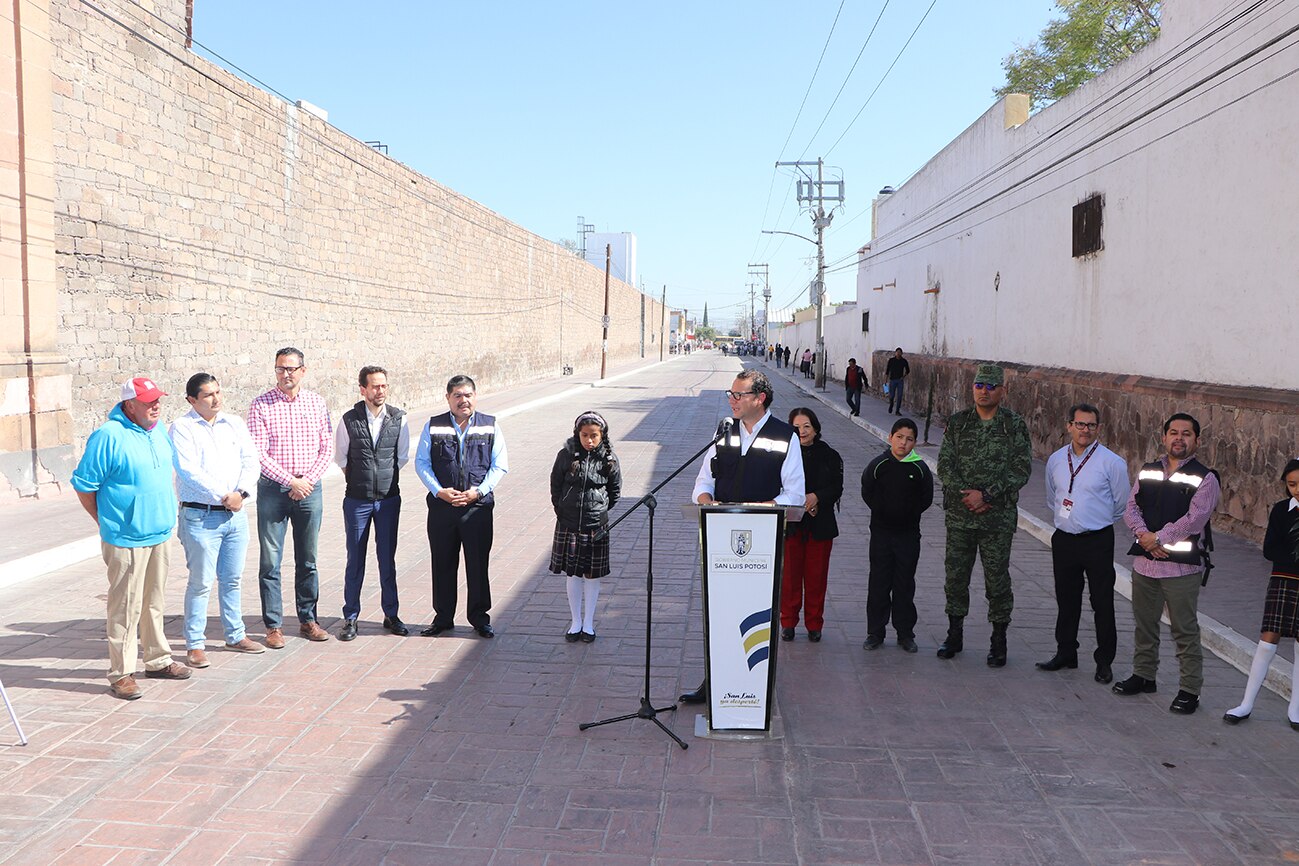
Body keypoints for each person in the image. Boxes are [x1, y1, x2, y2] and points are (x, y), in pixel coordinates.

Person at [681, 368, 805, 704]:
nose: (732, 401)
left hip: (761, 546)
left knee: (753, 617)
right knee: (721, 614)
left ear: (760, 398)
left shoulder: (785, 436)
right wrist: (706, 502)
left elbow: (794, 495)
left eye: (739, 395)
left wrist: (760, 508)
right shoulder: (724, 433)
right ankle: (716, 682)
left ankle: (755, 688)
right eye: (731, 395)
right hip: (720, 540)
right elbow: (703, 482)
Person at [71, 377, 190, 699]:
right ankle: (121, 673)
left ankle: (158, 659)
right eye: (149, 401)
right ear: (129, 405)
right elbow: (84, 485)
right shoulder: (108, 436)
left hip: (159, 533)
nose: (156, 405)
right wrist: (106, 521)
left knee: (154, 602)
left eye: (157, 400)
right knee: (125, 607)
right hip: (125, 538)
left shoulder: (159, 430)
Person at [1113, 413, 1221, 715]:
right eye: (1173, 432)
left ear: (1196, 441)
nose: (1179, 438)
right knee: (1144, 625)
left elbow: (1195, 519)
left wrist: (1157, 538)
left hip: (1181, 569)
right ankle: (1144, 675)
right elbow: (1131, 507)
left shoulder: (1205, 477)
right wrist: (1144, 536)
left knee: (1184, 630)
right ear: (1164, 437)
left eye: (1186, 433)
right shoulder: (1148, 470)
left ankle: (1190, 691)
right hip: (1146, 565)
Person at [935, 363, 1031, 666]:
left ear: (1002, 390)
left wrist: (987, 495)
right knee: (955, 576)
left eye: (991, 386)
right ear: (972, 388)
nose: (984, 391)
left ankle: (999, 638)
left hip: (997, 519)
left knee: (997, 580)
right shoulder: (959, 422)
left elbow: (1021, 468)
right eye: (979, 385)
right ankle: (954, 633)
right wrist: (968, 496)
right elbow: (945, 466)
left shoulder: (1014, 425)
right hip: (961, 516)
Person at [170, 373, 264, 669]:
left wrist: (241, 493)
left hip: (235, 516)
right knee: (200, 582)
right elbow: (188, 470)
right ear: (192, 400)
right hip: (200, 516)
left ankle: (235, 635)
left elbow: (251, 460)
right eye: (208, 395)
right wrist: (224, 495)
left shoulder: (234, 423)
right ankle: (194, 644)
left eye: (218, 392)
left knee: (232, 579)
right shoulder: (182, 428)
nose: (216, 399)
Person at [247, 347, 334, 648]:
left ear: (303, 371)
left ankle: (308, 619)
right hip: (274, 490)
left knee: (308, 559)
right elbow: (258, 452)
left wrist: (306, 481)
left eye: (291, 369)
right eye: (280, 369)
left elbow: (327, 448)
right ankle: (273, 626)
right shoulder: (260, 405)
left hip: (310, 490)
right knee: (270, 561)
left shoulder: (317, 403)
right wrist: (290, 481)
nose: (286, 374)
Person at [1037, 403, 1129, 683]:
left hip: (1097, 540)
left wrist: (1094, 520)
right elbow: (1053, 496)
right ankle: (1066, 652)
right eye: (1080, 424)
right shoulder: (1055, 459)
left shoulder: (1112, 462)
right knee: (1066, 600)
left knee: (1101, 602)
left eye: (1091, 425)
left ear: (1098, 429)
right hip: (1064, 540)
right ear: (1069, 426)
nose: (1085, 430)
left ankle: (1104, 661)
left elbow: (1121, 503)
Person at [416, 375, 509, 638]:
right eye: (457, 395)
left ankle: (479, 618)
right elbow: (422, 463)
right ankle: (443, 617)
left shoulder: (490, 426)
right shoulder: (434, 426)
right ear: (448, 398)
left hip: (476, 508)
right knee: (442, 563)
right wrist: (438, 491)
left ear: (475, 396)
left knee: (477, 564)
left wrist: (477, 492)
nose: (463, 400)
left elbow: (499, 465)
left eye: (468, 395)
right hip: (442, 509)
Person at [334, 365, 411, 641]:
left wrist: (383, 479)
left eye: (384, 386)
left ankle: (391, 614)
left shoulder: (398, 418)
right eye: (375, 386)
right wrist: (361, 480)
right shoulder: (349, 420)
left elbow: (401, 457)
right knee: (355, 559)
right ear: (363, 389)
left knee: (386, 558)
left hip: (389, 500)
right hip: (357, 501)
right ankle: (351, 617)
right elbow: (341, 458)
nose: (380, 391)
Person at [1224, 458, 1299, 728]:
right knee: (1268, 639)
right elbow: (1270, 549)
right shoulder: (1281, 510)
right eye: (1292, 484)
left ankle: (1296, 709)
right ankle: (1246, 704)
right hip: (1283, 580)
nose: (1297, 489)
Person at [861, 418, 934, 653]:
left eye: (909, 439)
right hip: (881, 534)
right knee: (879, 583)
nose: (903, 443)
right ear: (890, 437)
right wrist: (883, 512)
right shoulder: (878, 465)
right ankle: (875, 632)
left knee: (904, 584)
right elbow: (867, 491)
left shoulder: (920, 468)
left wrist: (908, 514)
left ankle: (905, 633)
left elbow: (926, 498)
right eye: (899, 437)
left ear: (914, 443)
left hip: (908, 535)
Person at [549, 411, 622, 643]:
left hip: (595, 525)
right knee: (573, 573)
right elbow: (555, 484)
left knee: (592, 575)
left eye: (594, 435)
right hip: (568, 522)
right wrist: (561, 508)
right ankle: (575, 622)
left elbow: (615, 491)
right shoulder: (566, 455)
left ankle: (589, 623)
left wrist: (598, 510)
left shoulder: (609, 459)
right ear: (577, 434)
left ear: (602, 435)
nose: (589, 440)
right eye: (584, 435)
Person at [780, 407, 843, 643]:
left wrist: (816, 499)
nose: (802, 431)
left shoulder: (830, 455)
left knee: (816, 578)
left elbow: (837, 486)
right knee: (790, 578)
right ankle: (788, 622)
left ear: (815, 429)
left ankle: (814, 624)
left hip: (821, 524)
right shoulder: (784, 454)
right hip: (792, 525)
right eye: (796, 427)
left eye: (807, 426)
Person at [886, 348, 910, 416]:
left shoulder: (904, 361)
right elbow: (887, 370)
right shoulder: (891, 360)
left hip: (900, 380)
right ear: (895, 353)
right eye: (897, 352)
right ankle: (891, 404)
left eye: (900, 352)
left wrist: (903, 376)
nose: (898, 354)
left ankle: (897, 410)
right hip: (892, 380)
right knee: (892, 395)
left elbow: (908, 370)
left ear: (902, 353)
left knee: (899, 396)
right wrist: (886, 380)